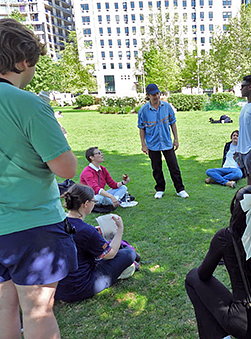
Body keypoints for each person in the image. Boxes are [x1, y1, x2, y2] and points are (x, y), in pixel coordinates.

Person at [0, 18, 78, 339]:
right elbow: (66, 169)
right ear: (22, 60)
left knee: (4, 309)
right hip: (32, 229)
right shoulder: (29, 104)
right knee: (37, 311)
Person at [185, 186, 251, 339]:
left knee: (193, 277)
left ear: (236, 209)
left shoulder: (225, 237)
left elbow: (203, 274)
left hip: (245, 323)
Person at [55, 184, 136, 302]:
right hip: (81, 288)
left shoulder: (58, 223)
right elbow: (111, 254)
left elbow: (75, 237)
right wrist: (120, 231)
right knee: (129, 253)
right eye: (94, 201)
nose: (95, 203)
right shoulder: (86, 231)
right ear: (86, 204)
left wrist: (95, 232)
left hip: (59, 288)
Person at [138, 83, 189, 199]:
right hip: (152, 144)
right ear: (148, 95)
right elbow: (141, 128)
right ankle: (160, 189)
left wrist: (176, 139)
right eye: (153, 94)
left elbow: (173, 123)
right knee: (156, 168)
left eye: (157, 93)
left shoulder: (167, 107)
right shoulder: (143, 110)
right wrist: (143, 145)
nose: (156, 96)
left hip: (167, 142)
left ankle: (180, 189)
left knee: (174, 167)